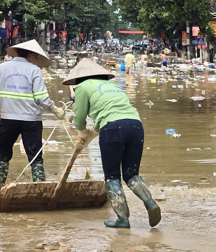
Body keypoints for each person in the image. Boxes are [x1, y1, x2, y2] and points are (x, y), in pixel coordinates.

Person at [63, 59, 161, 229]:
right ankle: (150, 203)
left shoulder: (82, 87)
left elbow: (79, 119)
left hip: (113, 128)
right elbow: (110, 113)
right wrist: (92, 133)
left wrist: (81, 131)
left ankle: (122, 219)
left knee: (112, 176)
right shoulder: (113, 85)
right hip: (136, 125)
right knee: (131, 174)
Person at [0, 40, 65, 187]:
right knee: (35, 156)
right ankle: (39, 188)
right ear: (31, 55)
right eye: (36, 57)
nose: (36, 60)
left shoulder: (2, 68)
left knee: (3, 152)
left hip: (8, 119)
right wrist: (55, 109)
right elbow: (41, 98)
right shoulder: (34, 70)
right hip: (31, 121)